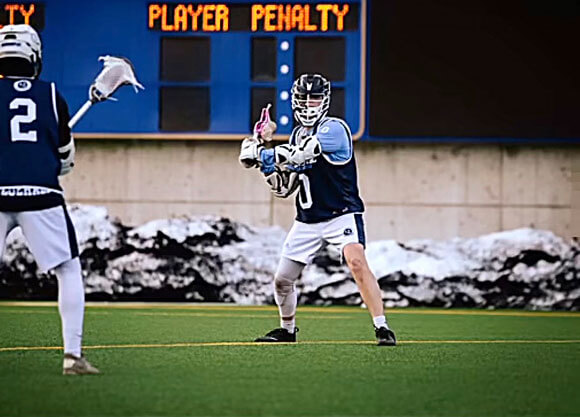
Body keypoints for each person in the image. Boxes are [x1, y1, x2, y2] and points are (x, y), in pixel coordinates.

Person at [239, 73, 397, 346]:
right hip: (308, 219)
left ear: (324, 101)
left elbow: (303, 154)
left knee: (356, 261)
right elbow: (284, 187)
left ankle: (382, 327)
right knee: (282, 280)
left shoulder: (334, 128)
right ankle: (287, 330)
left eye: (315, 98)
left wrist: (262, 153)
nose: (309, 104)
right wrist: (264, 161)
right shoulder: (298, 134)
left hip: (341, 212)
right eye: (304, 98)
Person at [0, 24, 99, 374]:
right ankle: (73, 357)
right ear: (34, 56)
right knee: (68, 270)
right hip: (41, 192)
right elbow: (65, 158)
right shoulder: (52, 94)